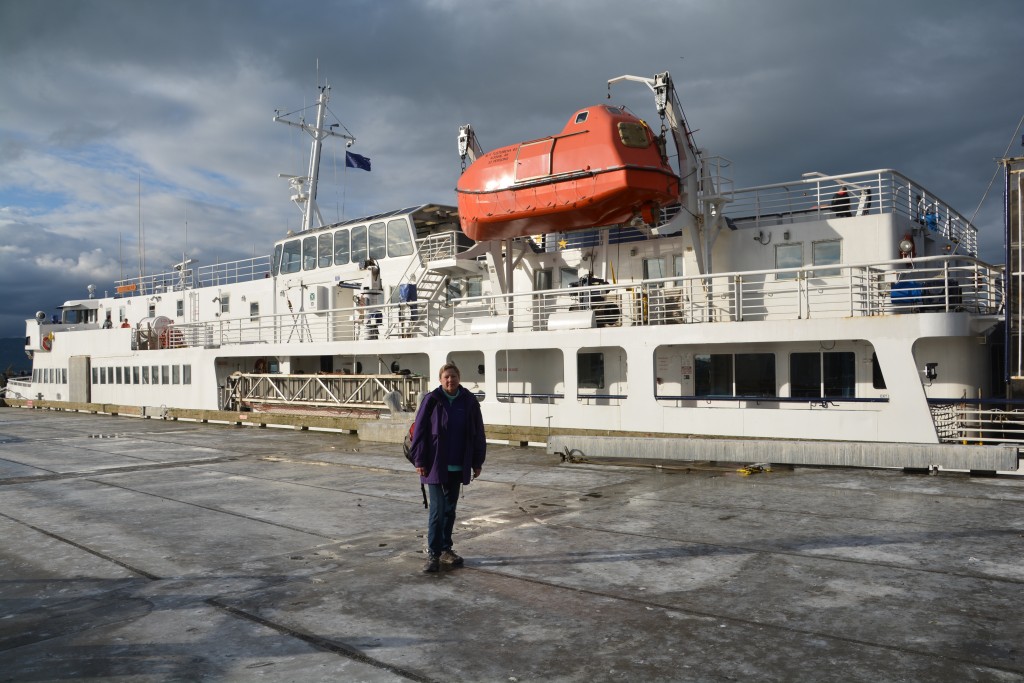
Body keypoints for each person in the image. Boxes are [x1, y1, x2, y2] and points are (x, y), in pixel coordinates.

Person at [409, 362, 486, 573]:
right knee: (438, 509)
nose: (450, 380)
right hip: (434, 463)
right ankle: (433, 553)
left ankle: (446, 549)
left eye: (453, 376)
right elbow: (420, 432)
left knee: (450, 510)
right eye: (446, 377)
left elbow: (478, 433)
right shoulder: (432, 400)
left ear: (459, 377)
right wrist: (419, 461)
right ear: (440, 380)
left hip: (458, 464)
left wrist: (477, 462)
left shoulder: (469, 401)